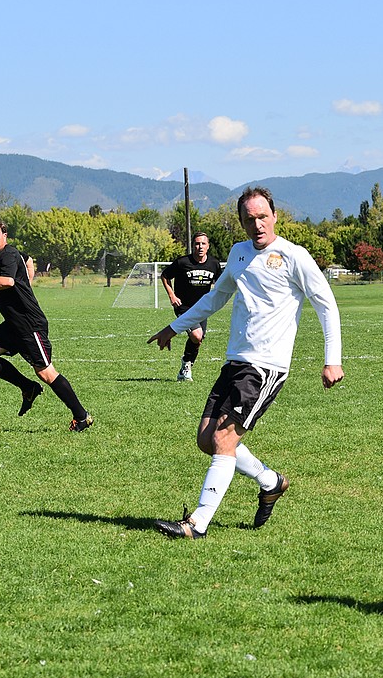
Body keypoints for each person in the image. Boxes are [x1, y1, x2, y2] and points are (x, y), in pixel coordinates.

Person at [147, 186, 344, 539]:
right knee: (207, 440)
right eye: (249, 219)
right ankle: (271, 482)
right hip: (235, 360)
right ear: (241, 222)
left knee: (224, 438)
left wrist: (333, 360)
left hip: (267, 366)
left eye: (263, 217)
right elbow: (216, 298)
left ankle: (197, 524)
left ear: (275, 216)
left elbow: (326, 304)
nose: (257, 225)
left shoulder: (294, 256)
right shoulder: (238, 254)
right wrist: (175, 327)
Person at [0, 219, 93, 431]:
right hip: (12, 325)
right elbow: (28, 260)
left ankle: (82, 416)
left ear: (4, 235)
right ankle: (27, 388)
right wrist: (28, 282)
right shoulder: (3, 256)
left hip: (29, 324)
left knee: (45, 372)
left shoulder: (8, 254)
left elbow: (7, 281)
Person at [160, 232, 224, 381]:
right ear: (192, 246)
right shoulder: (182, 262)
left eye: (203, 243)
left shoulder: (214, 264)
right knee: (196, 335)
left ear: (208, 246)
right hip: (184, 307)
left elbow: (220, 283)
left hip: (202, 308)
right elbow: (165, 276)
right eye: (197, 243)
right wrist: (171, 295)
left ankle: (186, 364)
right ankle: (187, 365)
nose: (200, 246)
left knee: (198, 339)